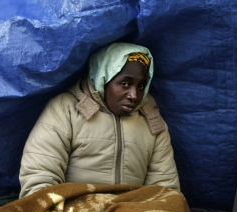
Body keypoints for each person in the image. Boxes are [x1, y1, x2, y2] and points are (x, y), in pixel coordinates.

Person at [19, 42, 180, 198]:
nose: (134, 95)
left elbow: (164, 191)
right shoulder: (65, 109)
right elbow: (39, 179)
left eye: (141, 86)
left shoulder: (151, 120)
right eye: (125, 84)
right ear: (103, 79)